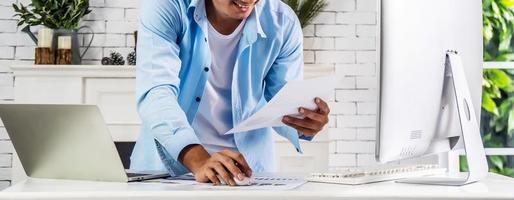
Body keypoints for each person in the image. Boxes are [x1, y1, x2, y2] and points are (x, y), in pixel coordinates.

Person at [130, 0, 331, 186]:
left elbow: (282, 98)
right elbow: (156, 92)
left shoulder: (282, 22)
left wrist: (304, 121)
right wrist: (198, 159)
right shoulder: (167, 6)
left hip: (248, 176)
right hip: (168, 172)